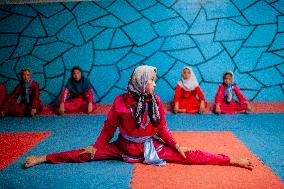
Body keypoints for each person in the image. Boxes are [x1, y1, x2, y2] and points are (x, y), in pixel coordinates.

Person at [24, 65, 253, 170]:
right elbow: (108, 127)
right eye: (152, 80)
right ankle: (44, 157)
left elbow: (161, 129)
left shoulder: (155, 102)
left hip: (150, 147)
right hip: (122, 147)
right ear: (142, 83)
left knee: (190, 155)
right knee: (85, 153)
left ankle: (230, 159)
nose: (154, 84)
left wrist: (176, 144)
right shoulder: (120, 102)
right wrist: (97, 146)